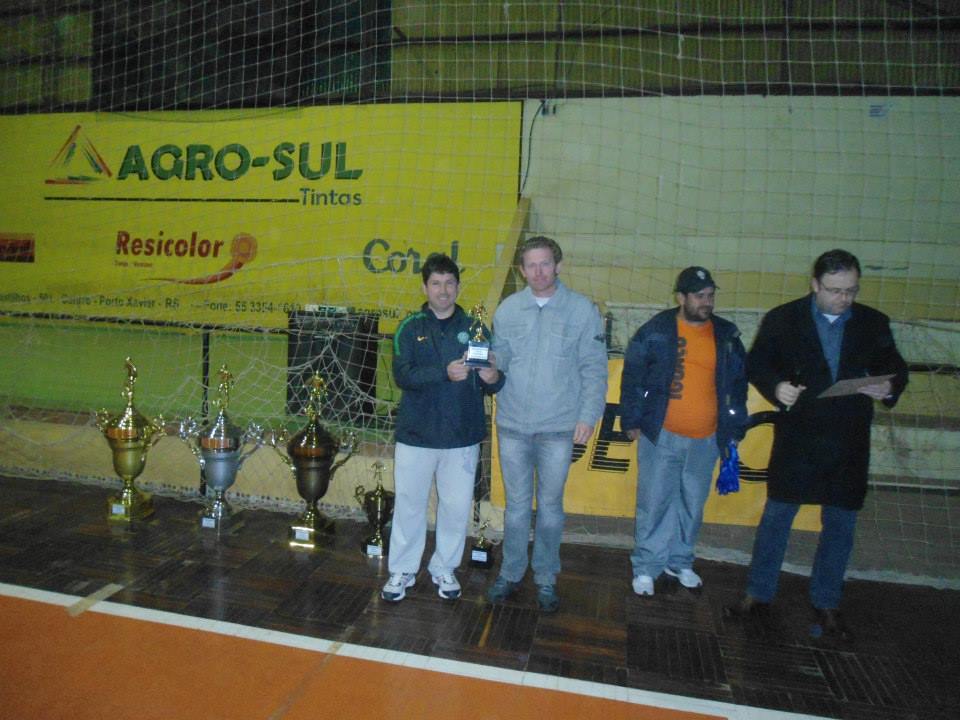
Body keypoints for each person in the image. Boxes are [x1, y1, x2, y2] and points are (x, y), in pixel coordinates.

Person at [729, 249, 908, 639]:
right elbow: (757, 363)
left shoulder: (873, 322)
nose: (844, 298)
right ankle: (758, 593)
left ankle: (827, 602)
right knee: (777, 518)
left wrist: (888, 386)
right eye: (834, 290)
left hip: (849, 440)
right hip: (799, 437)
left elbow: (896, 368)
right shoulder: (783, 319)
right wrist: (776, 386)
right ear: (814, 285)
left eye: (851, 290)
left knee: (841, 524)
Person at [485, 236, 608, 613]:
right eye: (531, 265)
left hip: (558, 428)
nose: (538, 271)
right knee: (517, 507)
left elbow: (594, 368)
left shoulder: (582, 310)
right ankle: (510, 572)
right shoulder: (508, 310)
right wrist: (488, 365)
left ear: (558, 265)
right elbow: (501, 356)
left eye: (545, 263)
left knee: (551, 507)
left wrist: (588, 416)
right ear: (521, 270)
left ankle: (546, 576)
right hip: (513, 426)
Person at [380, 253, 504, 603]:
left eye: (449, 283)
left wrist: (493, 377)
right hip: (416, 436)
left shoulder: (477, 328)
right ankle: (402, 570)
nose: (443, 290)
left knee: (456, 507)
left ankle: (445, 567)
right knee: (409, 505)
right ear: (425, 287)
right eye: (436, 283)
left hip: (461, 437)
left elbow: (493, 383)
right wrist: (443, 373)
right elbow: (403, 375)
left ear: (459, 287)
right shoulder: (409, 327)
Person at [619, 267, 748, 597]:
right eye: (699, 296)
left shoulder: (727, 336)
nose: (707, 302)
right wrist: (632, 420)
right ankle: (647, 567)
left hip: (706, 438)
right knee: (654, 503)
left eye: (710, 296)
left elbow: (738, 386)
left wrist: (734, 427)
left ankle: (679, 561)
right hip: (661, 435)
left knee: (692, 503)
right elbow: (633, 378)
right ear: (681, 298)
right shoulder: (655, 332)